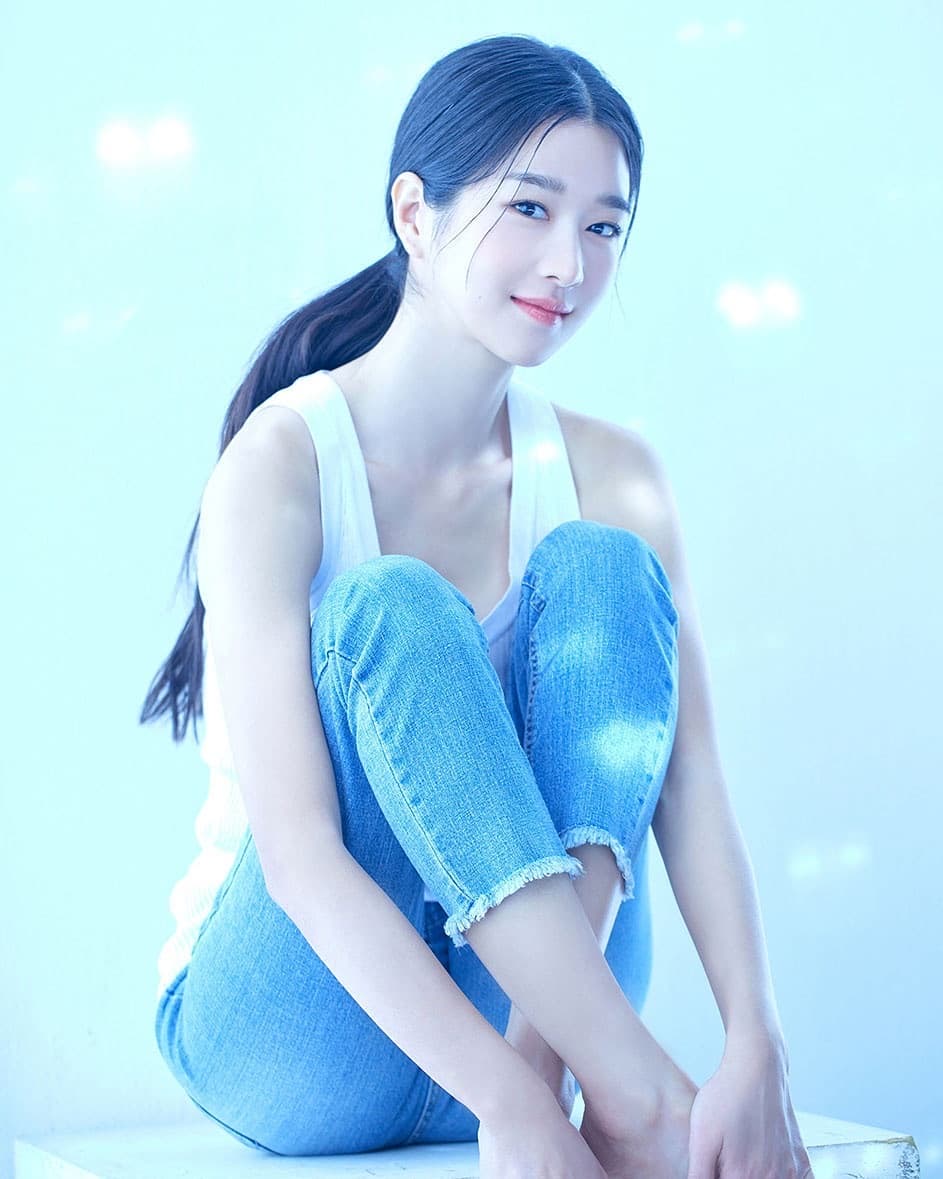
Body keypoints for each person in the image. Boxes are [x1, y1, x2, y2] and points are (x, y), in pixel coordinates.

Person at [140, 32, 813, 1179]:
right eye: (530, 209)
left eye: (602, 227)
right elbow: (298, 856)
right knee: (394, 608)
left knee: (606, 568)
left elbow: (684, 778)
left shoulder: (615, 473)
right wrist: (507, 1105)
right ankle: (638, 1089)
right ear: (415, 213)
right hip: (301, 1028)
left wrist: (755, 1039)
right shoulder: (281, 464)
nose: (568, 263)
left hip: (535, 1029)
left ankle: (598, 1071)